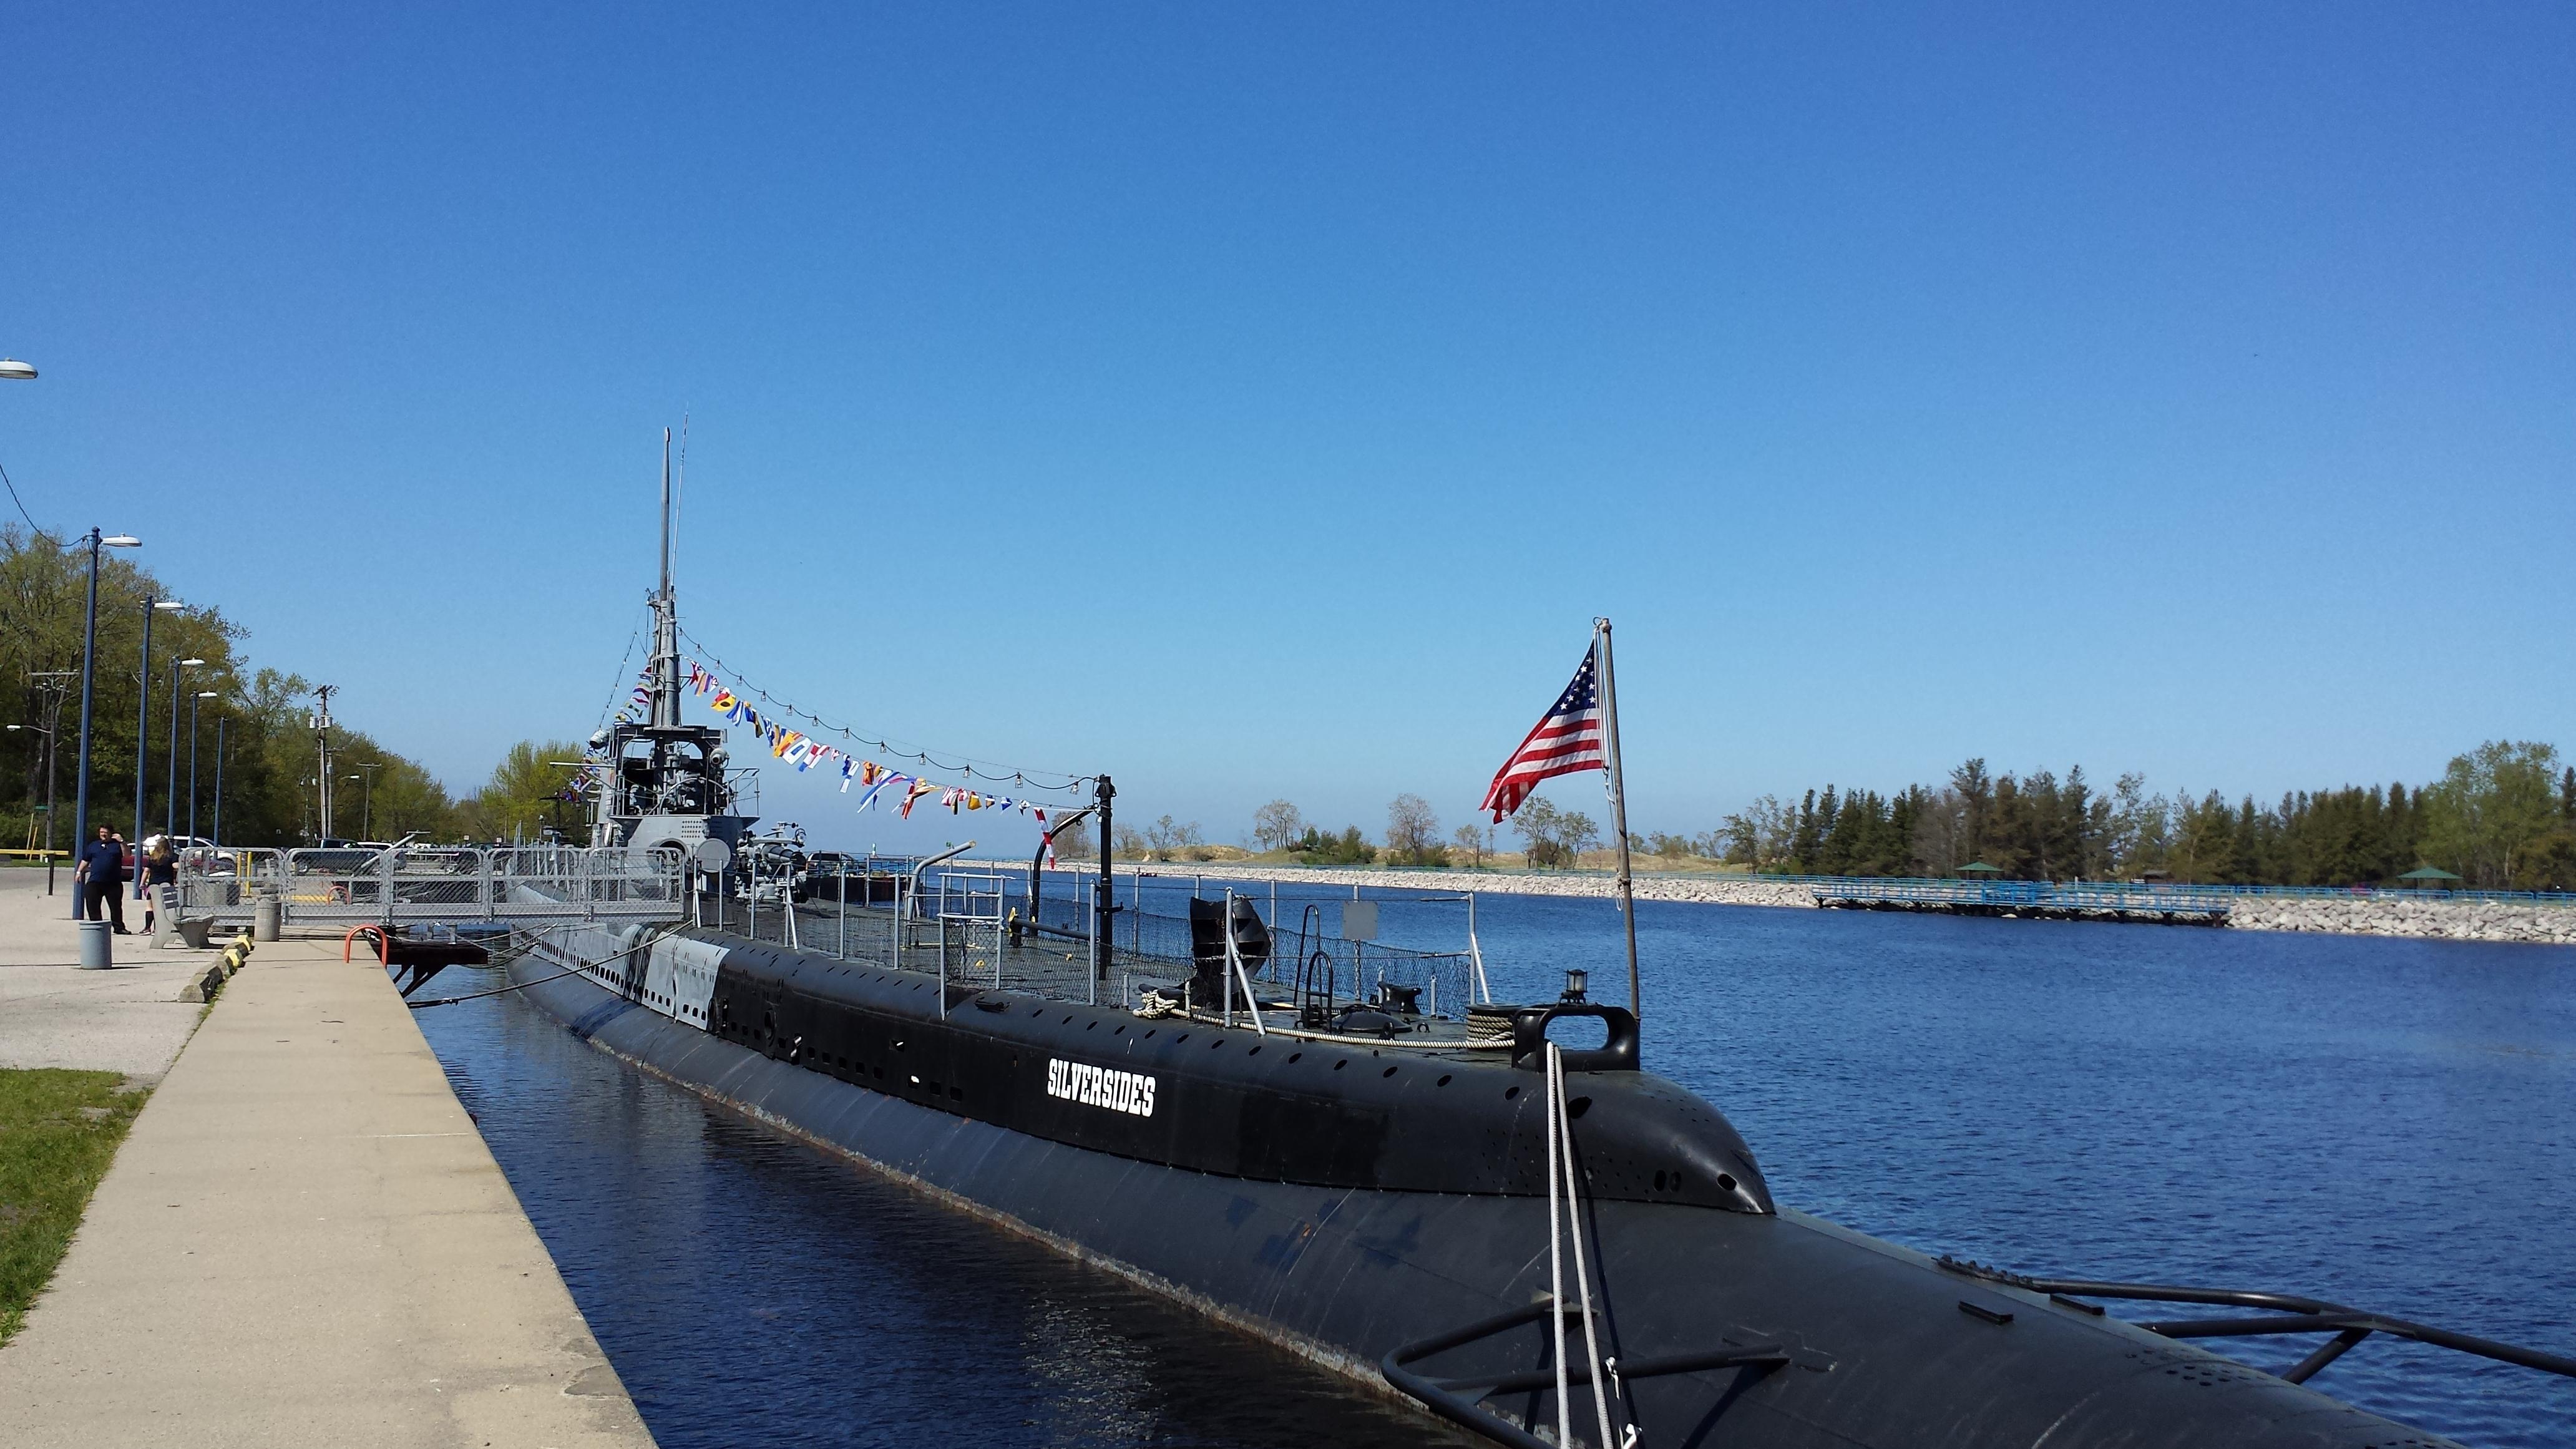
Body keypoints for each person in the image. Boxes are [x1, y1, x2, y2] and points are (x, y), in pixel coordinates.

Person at [74, 825, 130, 933]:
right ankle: (97, 926)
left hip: (113, 882)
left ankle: (119, 928)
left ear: (111, 834)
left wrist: (122, 841)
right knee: (92, 904)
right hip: (95, 881)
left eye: (106, 833)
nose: (103, 835)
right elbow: (86, 860)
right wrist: (79, 872)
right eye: (101, 832)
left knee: (116, 907)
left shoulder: (117, 845)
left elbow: (127, 855)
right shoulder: (94, 845)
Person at [140, 837, 179, 932]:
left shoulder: (153, 857)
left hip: (153, 885)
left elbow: (146, 871)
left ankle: (147, 928)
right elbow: (176, 866)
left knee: (150, 907)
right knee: (168, 908)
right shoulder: (172, 856)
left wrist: (142, 883)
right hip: (168, 885)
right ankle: (159, 929)